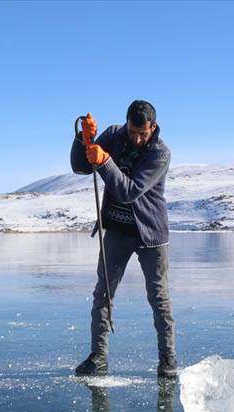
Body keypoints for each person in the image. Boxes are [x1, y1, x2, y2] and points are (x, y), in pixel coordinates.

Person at [71, 100, 177, 379]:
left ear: (152, 127)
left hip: (151, 235)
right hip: (118, 230)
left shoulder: (160, 154)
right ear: (127, 123)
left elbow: (129, 191)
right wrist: (83, 139)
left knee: (159, 298)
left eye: (143, 133)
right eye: (133, 131)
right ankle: (98, 357)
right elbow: (81, 167)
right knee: (102, 293)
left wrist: (104, 161)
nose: (137, 138)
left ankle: (168, 360)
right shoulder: (114, 135)